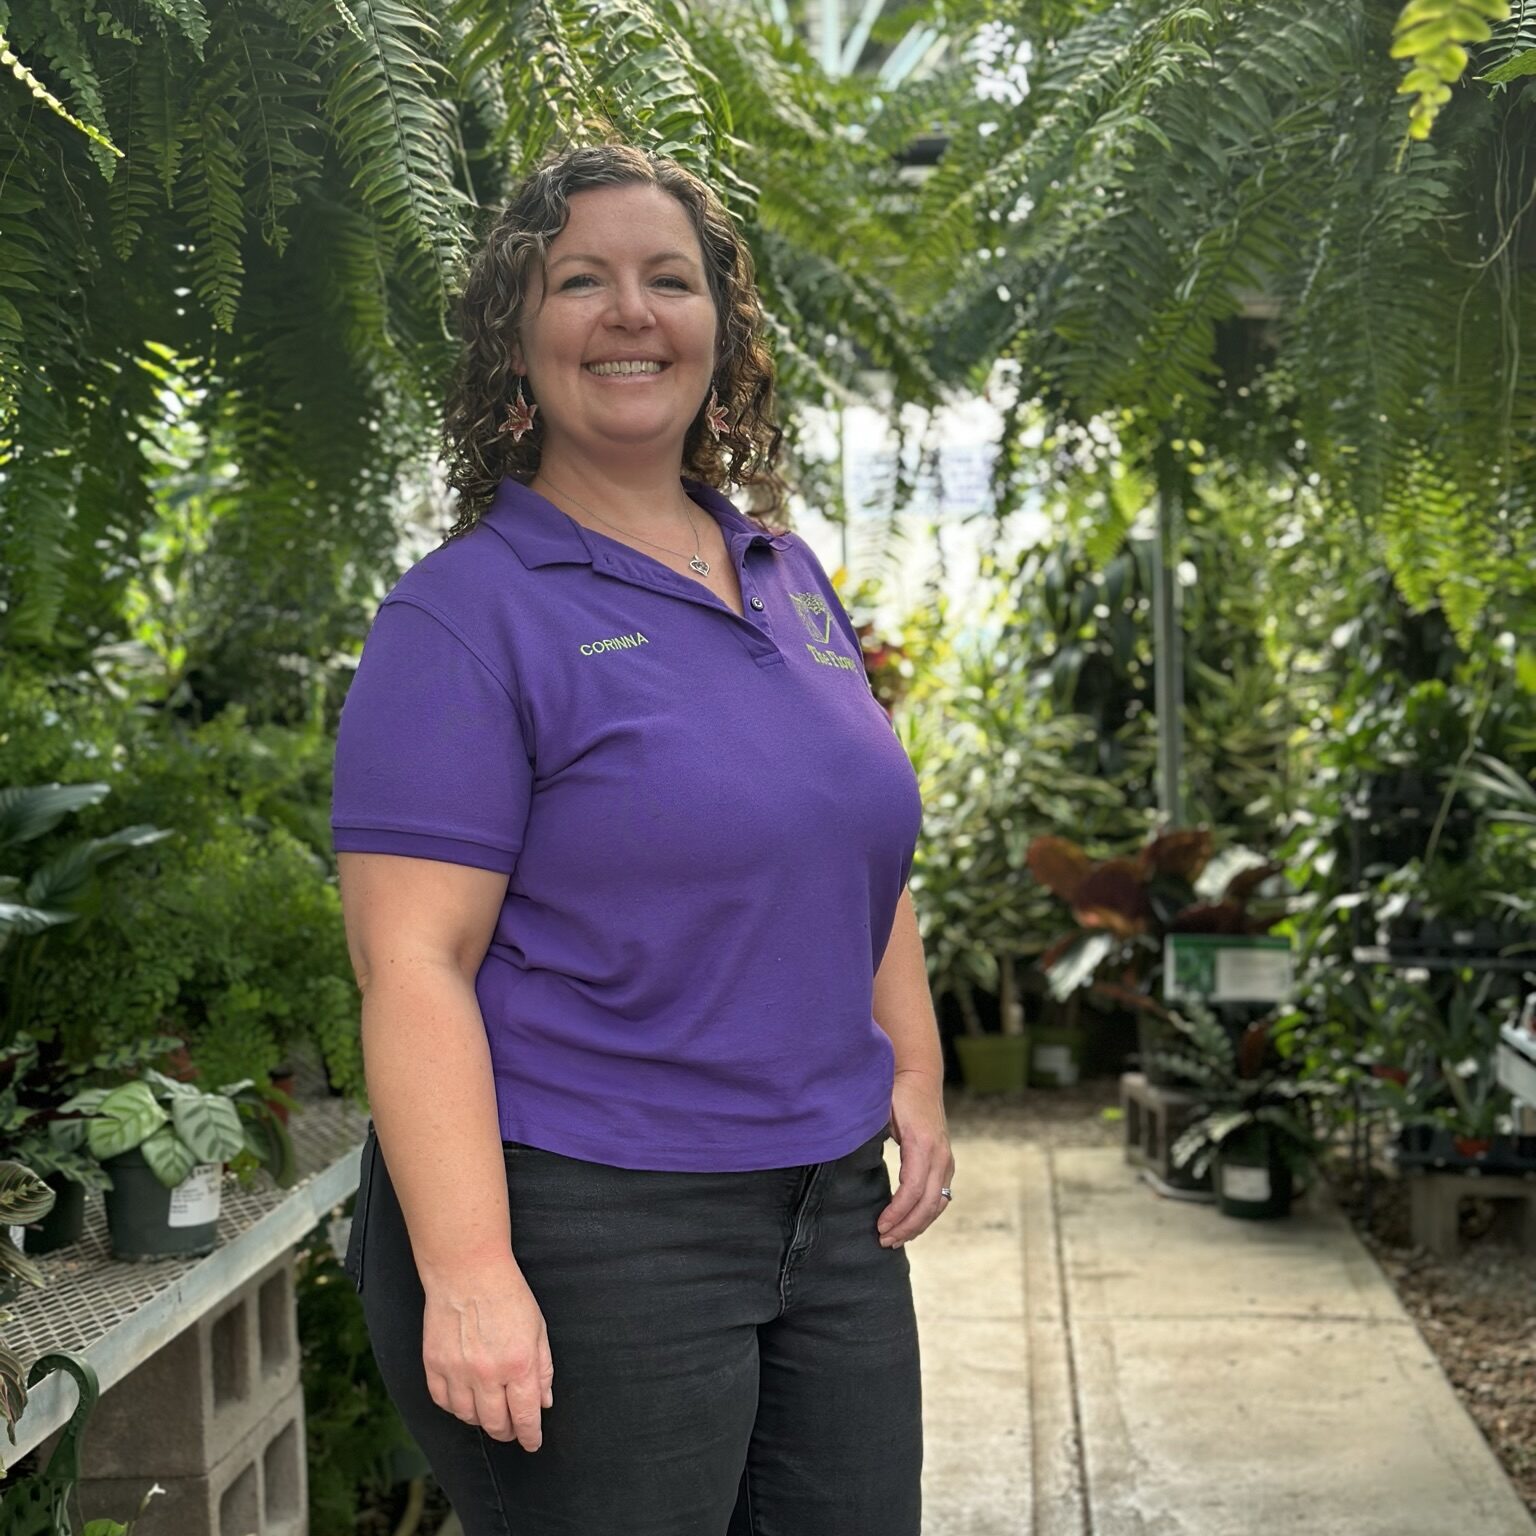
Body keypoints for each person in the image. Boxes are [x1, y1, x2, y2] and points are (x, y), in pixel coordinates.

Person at [330, 140, 955, 1536]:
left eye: (670, 280)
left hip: (830, 1218)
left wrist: (911, 1068)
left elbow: (849, 849)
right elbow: (412, 965)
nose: (632, 312)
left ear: (720, 331)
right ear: (513, 341)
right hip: (588, 1227)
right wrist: (469, 1270)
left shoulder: (785, 574)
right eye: (580, 281)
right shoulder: (462, 617)